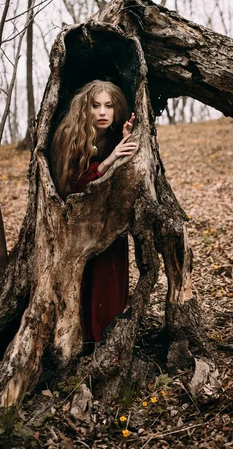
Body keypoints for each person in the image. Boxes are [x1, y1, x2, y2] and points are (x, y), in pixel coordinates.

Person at [50, 80, 136, 347]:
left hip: (110, 224)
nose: (102, 112)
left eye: (108, 106)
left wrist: (123, 143)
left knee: (109, 280)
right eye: (95, 105)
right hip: (78, 226)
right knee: (86, 281)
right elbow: (72, 186)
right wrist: (106, 162)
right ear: (84, 109)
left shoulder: (113, 137)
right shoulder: (71, 135)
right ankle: (86, 339)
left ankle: (108, 338)